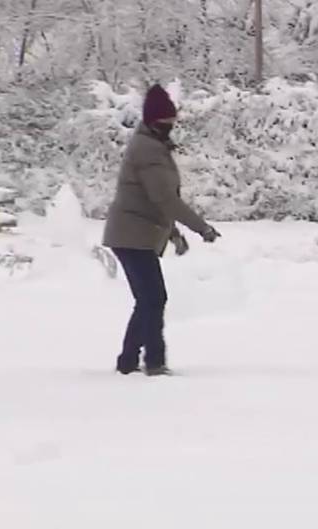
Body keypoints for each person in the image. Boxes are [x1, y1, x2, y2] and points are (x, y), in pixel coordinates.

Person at [102, 84, 221, 376]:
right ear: (156, 121)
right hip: (132, 235)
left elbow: (156, 200)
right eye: (167, 122)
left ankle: (129, 361)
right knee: (153, 299)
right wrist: (200, 228)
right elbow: (165, 199)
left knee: (149, 299)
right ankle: (153, 362)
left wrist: (174, 234)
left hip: (135, 233)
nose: (171, 126)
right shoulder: (149, 150)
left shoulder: (153, 146)